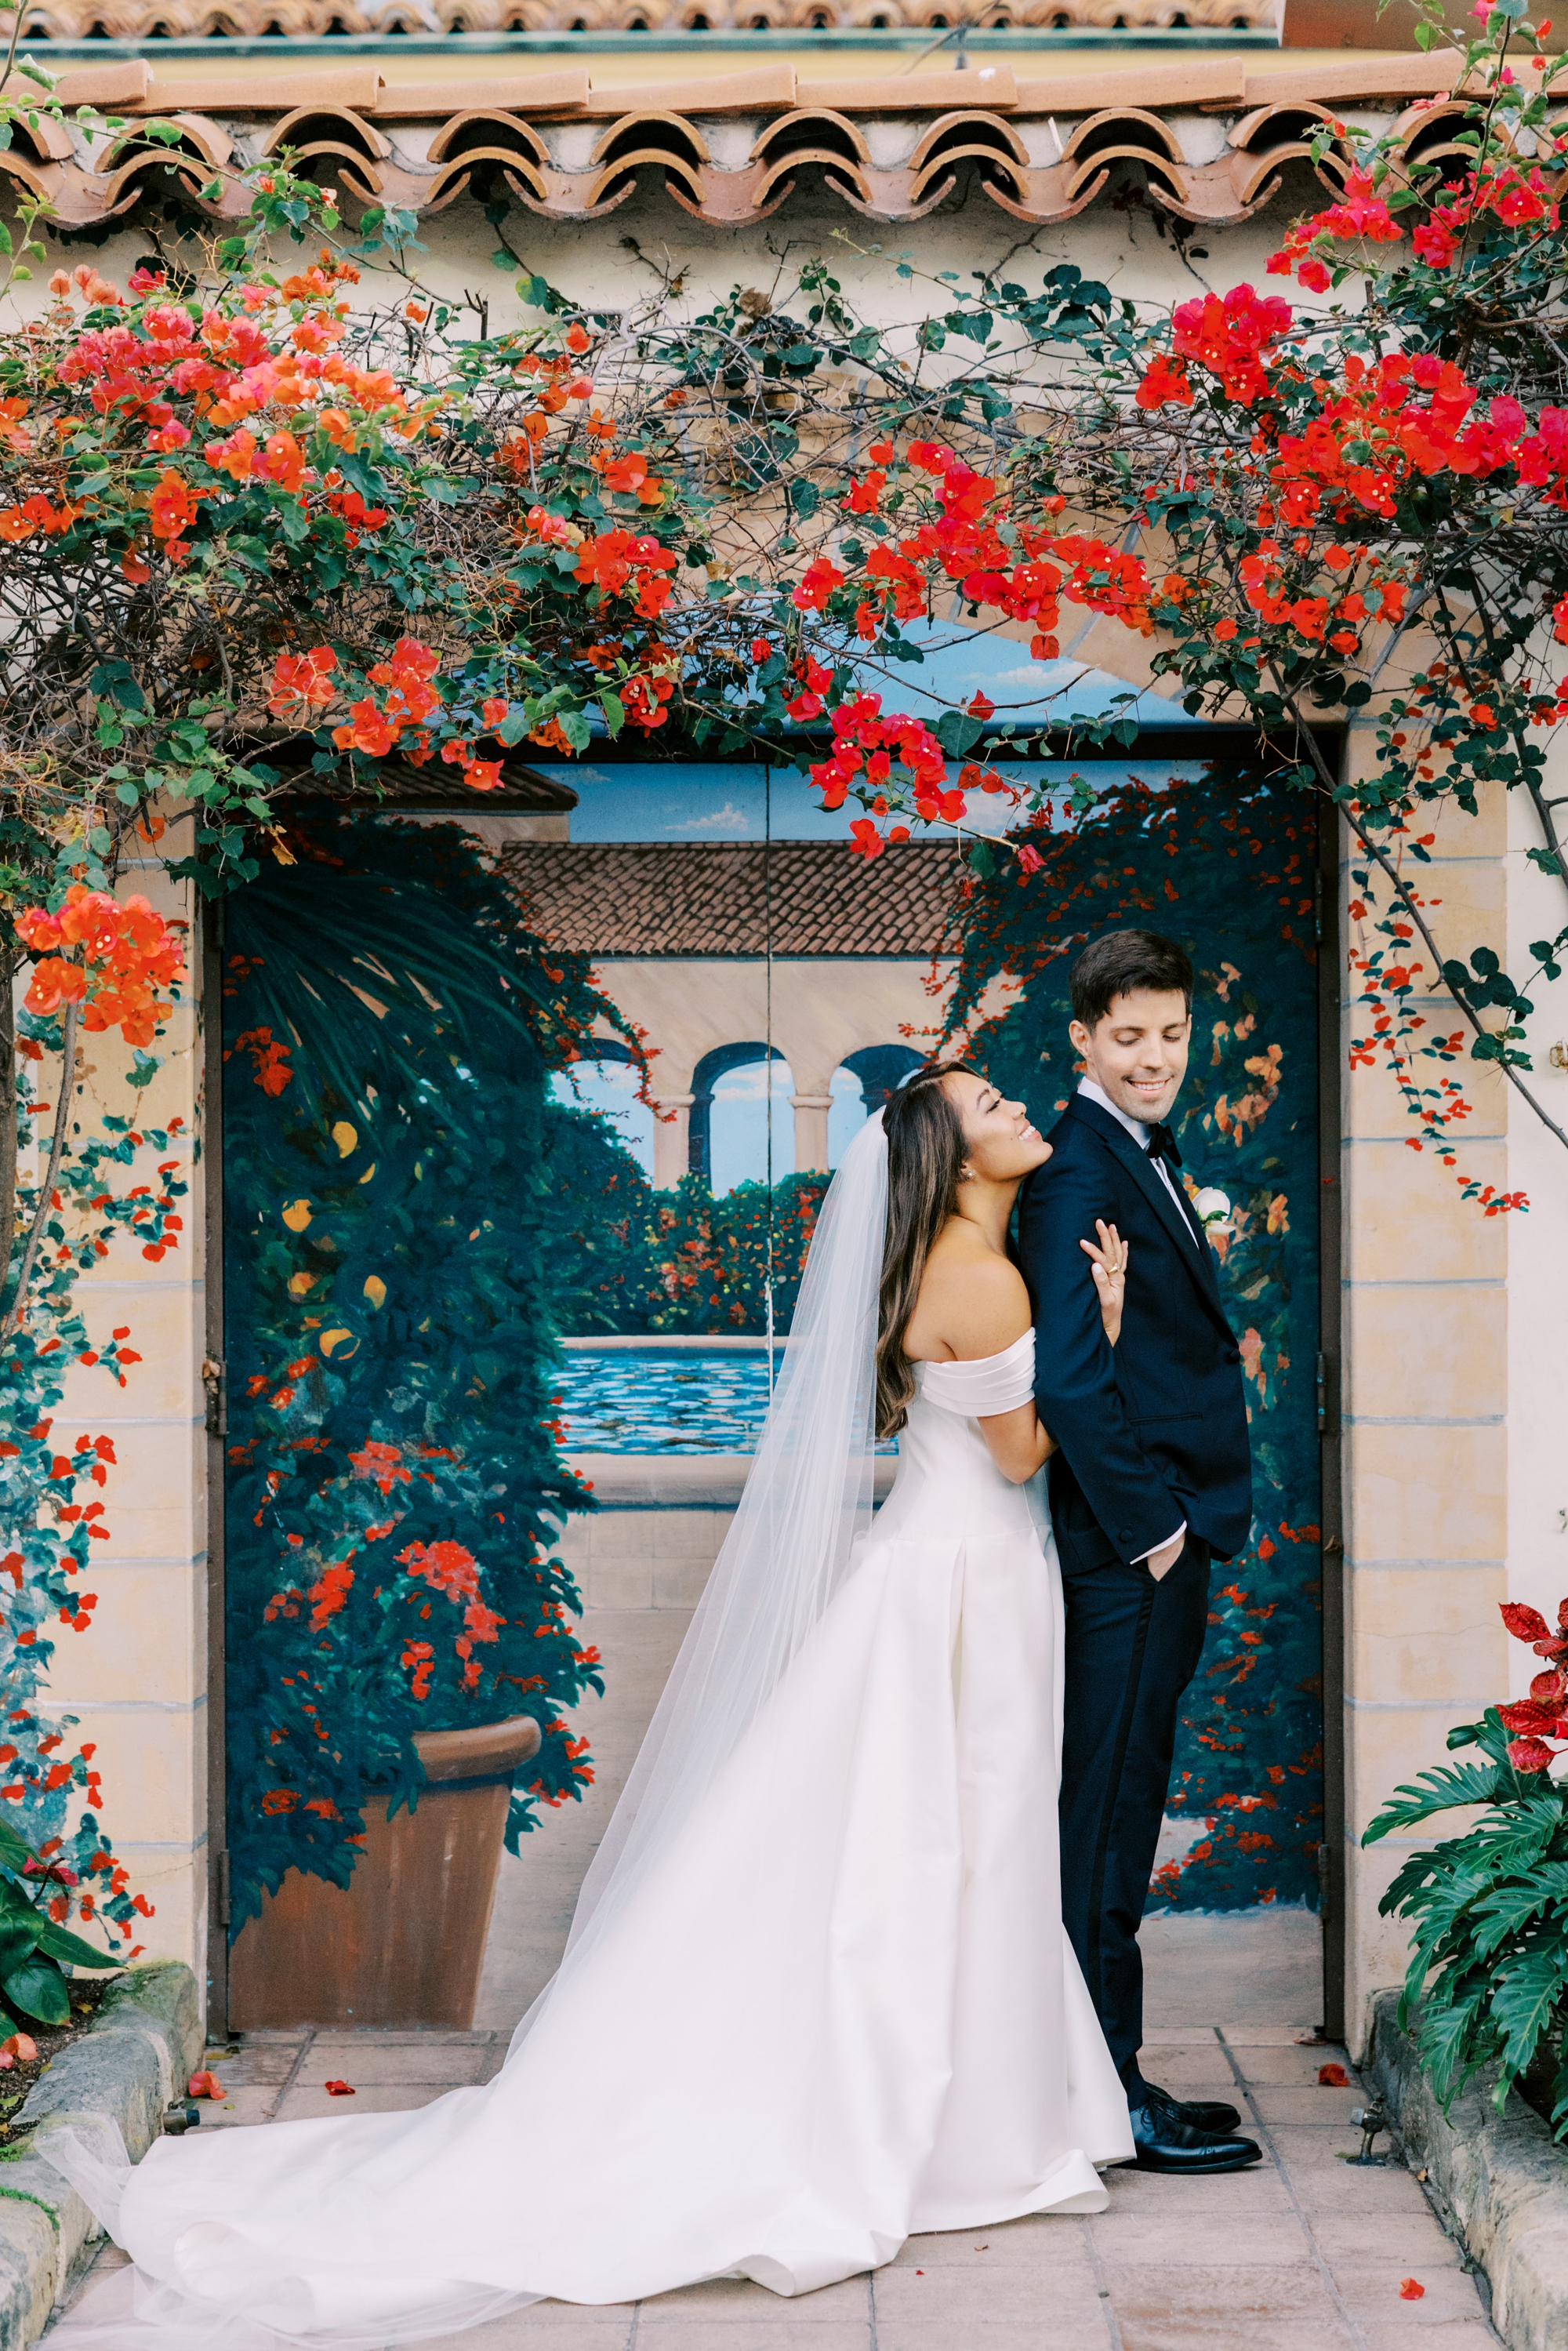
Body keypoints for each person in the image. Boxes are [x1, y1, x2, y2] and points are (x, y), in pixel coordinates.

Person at [46, 1063, 1132, 2349]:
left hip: (942, 1568)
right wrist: (1099, 1327)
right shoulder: (987, 1277)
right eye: (989, 1108)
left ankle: (971, 2113)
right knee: (971, 1837)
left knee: (929, 1845)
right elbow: (1019, 1451)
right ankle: (972, 2133)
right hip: (971, 1579)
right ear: (952, 1164)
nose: (1015, 1109)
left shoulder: (953, 1263)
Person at [1018, 929, 1261, 2176]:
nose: (1156, 1055)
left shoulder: (1136, 1153)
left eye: (1171, 1032)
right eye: (1130, 1036)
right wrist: (1157, 1534)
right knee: (1108, 1817)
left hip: (1162, 1536)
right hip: (1131, 1552)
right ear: (1082, 1040)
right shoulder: (1076, 1173)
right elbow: (1068, 1378)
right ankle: (1102, 2094)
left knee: (1125, 1806)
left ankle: (1108, 2070)